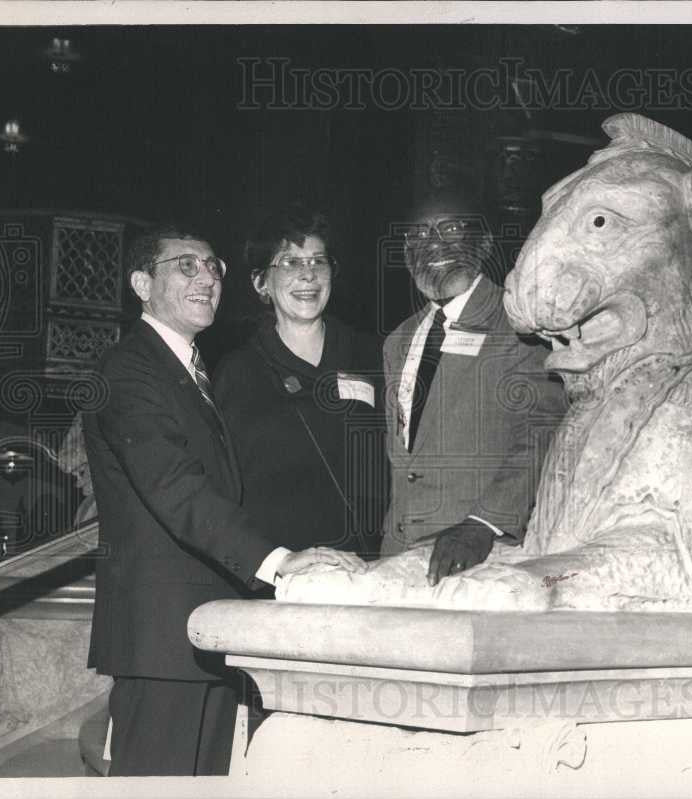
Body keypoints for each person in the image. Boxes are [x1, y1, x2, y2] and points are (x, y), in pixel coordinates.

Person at [83, 224, 362, 776]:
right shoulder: (129, 368)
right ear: (142, 283)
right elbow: (176, 490)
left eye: (213, 266)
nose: (206, 278)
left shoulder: (192, 368)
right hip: (161, 640)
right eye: (186, 266)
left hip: (205, 633)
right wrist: (279, 563)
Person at [381, 188, 567, 585]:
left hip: (480, 558)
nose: (433, 244)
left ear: (482, 243)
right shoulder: (399, 340)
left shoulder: (518, 324)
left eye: (450, 228)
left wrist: (482, 525)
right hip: (398, 562)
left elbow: (543, 431)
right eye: (418, 234)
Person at [213, 206, 386, 567]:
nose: (308, 275)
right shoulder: (236, 372)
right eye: (290, 263)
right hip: (281, 573)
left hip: (366, 567)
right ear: (261, 282)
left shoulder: (374, 356)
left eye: (318, 262)